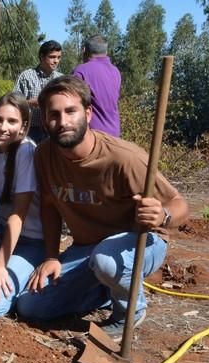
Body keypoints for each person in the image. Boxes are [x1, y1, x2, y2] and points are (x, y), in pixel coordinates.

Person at [16, 76, 189, 340]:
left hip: (141, 243)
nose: (62, 122)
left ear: (88, 113)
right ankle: (105, 291)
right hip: (87, 250)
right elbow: (50, 207)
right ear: (45, 119)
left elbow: (180, 205)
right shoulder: (44, 155)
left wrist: (162, 215)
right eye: (54, 115)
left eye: (70, 111)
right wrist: (51, 257)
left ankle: (128, 313)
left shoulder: (124, 158)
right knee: (30, 306)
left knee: (106, 261)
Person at [0, 93, 45, 319]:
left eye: (12, 121)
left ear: (24, 126)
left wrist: (0, 265)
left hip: (29, 240)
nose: (3, 127)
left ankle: (26, 274)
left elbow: (18, 216)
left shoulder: (26, 151)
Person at [14, 40, 63, 144]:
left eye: (58, 57)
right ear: (42, 56)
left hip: (53, 129)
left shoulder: (61, 79)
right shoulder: (26, 76)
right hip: (31, 130)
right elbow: (14, 103)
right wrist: (30, 103)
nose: (56, 61)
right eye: (52, 57)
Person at [73, 35, 121, 137]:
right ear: (106, 52)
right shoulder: (115, 71)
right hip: (114, 134)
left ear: (84, 50)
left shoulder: (81, 71)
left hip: (92, 135)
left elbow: (72, 103)